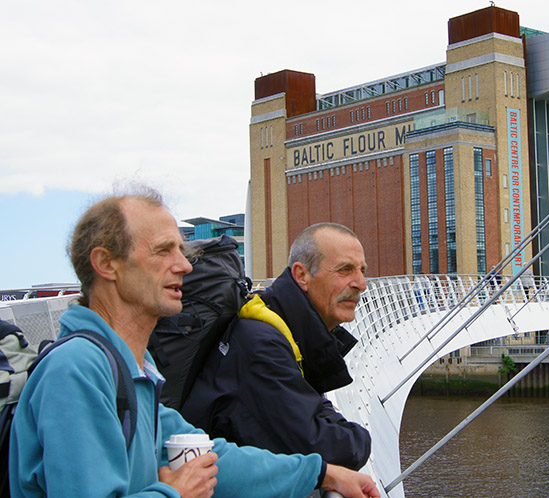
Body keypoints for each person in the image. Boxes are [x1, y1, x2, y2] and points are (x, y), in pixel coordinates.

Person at [9, 188, 379, 498]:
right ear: (107, 264)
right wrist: (175, 494)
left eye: (181, 251)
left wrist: (321, 475)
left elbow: (214, 457)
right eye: (163, 250)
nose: (184, 266)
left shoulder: (136, 369)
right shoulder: (76, 370)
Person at [182, 222, 371, 472]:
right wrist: (359, 436)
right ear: (302, 275)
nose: (361, 283)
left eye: (362, 270)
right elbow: (331, 449)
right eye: (345, 270)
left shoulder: (279, 328)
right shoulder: (261, 345)